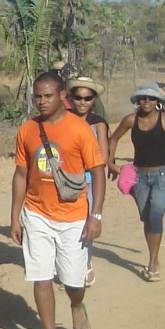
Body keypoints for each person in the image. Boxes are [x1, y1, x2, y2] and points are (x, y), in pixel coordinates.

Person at [10, 70, 105, 329]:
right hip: (37, 213)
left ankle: (76, 306)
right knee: (40, 276)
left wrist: (95, 216)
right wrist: (15, 217)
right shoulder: (27, 130)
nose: (42, 101)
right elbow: (21, 174)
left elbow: (98, 174)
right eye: (37, 96)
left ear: (62, 95)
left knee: (73, 281)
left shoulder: (79, 129)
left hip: (74, 215)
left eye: (48, 95)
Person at [107, 83, 165, 282]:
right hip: (139, 177)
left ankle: (152, 262)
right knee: (146, 218)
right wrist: (110, 162)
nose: (146, 101)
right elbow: (113, 139)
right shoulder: (130, 120)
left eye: (150, 98)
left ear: (158, 101)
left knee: (156, 215)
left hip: (162, 176)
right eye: (143, 98)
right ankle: (154, 257)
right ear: (137, 101)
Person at [65, 75, 108, 288]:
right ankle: (69, 267)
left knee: (86, 223)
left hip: (88, 180)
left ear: (93, 100)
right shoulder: (63, 120)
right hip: (64, 179)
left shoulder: (98, 124)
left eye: (87, 98)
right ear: (71, 98)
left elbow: (103, 157)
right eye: (78, 97)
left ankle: (85, 262)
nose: (82, 102)